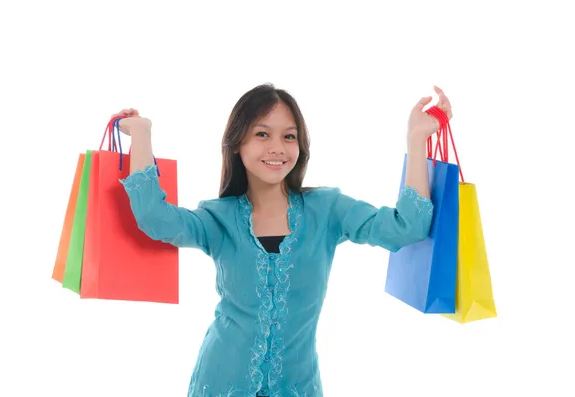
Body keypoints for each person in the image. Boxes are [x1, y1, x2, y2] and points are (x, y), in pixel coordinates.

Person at [114, 83, 452, 397]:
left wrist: (416, 139)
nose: (277, 148)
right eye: (263, 134)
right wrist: (142, 135)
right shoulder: (217, 218)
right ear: (237, 144)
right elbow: (154, 219)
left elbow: (407, 227)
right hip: (220, 382)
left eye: (289, 137)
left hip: (298, 386)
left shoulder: (328, 209)